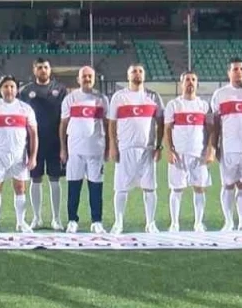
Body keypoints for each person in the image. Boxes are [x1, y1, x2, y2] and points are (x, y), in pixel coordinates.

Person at [107, 64, 164, 234]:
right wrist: (113, 145)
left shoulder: (153, 96)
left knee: (150, 188)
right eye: (133, 71)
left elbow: (160, 123)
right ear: (128, 75)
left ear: (144, 75)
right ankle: (118, 223)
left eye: (140, 71)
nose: (137, 74)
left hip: (147, 149)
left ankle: (150, 223)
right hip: (125, 148)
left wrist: (159, 146)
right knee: (121, 188)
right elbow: (112, 123)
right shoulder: (119, 97)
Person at [0, 75, 37, 233]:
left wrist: (33, 156)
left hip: (19, 156)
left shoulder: (25, 109)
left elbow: (34, 134)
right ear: (0, 89)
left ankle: (21, 222)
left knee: (20, 187)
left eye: (12, 86)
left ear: (16, 90)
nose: (9, 90)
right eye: (5, 87)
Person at [210, 58, 242, 232]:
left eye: (241, 69)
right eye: (235, 69)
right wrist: (214, 146)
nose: (238, 72)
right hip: (228, 148)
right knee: (228, 185)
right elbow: (215, 124)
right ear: (229, 73)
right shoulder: (220, 94)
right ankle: (228, 221)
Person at [60, 65, 109, 233]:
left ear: (94, 79)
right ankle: (72, 220)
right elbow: (63, 124)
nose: (87, 79)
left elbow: (107, 124)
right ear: (78, 79)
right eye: (84, 76)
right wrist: (63, 148)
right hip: (75, 150)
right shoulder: (70, 99)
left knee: (96, 186)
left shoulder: (102, 99)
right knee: (74, 186)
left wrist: (108, 147)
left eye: (90, 76)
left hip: (96, 149)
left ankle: (96, 221)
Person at [20, 57, 66, 230]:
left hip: (55, 141)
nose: (43, 70)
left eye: (45, 67)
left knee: (55, 179)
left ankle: (56, 218)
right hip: (33, 142)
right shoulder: (26, 91)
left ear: (50, 69)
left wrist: (64, 145)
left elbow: (65, 117)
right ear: (34, 70)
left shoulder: (60, 89)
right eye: (39, 67)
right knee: (35, 178)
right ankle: (37, 218)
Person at [163, 71, 212, 232]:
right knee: (176, 189)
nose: (190, 82)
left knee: (199, 188)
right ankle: (174, 223)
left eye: (193, 79)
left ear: (197, 83)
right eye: (187, 80)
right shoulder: (174, 105)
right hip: (179, 153)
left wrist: (210, 149)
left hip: (199, 154)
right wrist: (169, 150)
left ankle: (198, 223)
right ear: (181, 83)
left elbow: (211, 130)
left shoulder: (204, 105)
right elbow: (167, 129)